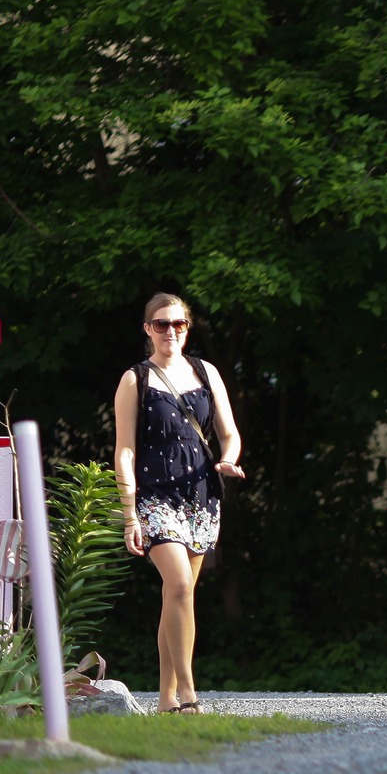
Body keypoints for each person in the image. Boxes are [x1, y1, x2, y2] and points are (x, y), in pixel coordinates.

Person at [113, 293, 246, 714]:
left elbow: (229, 433)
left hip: (201, 494)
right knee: (181, 585)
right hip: (155, 496)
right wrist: (129, 513)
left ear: (187, 328)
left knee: (177, 594)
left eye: (178, 324)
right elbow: (125, 450)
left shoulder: (206, 372)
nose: (170, 331)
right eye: (161, 324)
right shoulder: (135, 379)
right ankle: (188, 694)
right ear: (147, 329)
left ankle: (165, 699)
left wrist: (228, 459)